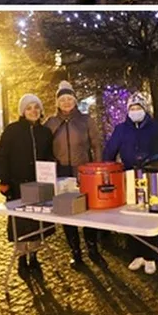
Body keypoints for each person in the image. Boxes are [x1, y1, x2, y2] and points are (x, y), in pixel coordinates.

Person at [0, 93, 55, 280]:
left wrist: (51, 176)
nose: (33, 111)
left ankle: (34, 256)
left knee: (37, 221)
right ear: (23, 111)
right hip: (16, 184)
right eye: (29, 108)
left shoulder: (45, 132)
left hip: (39, 185)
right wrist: (3, 180)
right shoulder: (12, 130)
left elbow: (49, 156)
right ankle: (21, 258)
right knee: (20, 223)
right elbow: (2, 156)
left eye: (36, 107)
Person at [46, 81, 106, 268]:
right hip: (62, 170)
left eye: (69, 98)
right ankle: (75, 252)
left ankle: (93, 249)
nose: (66, 102)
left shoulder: (86, 120)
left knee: (88, 211)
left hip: (84, 170)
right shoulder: (51, 122)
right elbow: (45, 148)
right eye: (62, 99)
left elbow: (96, 144)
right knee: (67, 212)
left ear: (75, 100)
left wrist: (96, 167)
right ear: (57, 102)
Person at [103, 92, 158, 275]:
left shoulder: (155, 128)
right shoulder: (121, 129)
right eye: (132, 108)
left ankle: (151, 255)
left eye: (138, 108)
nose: (135, 111)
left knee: (150, 215)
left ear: (145, 109)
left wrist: (155, 163)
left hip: (151, 175)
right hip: (129, 176)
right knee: (132, 215)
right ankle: (136, 254)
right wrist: (113, 171)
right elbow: (109, 152)